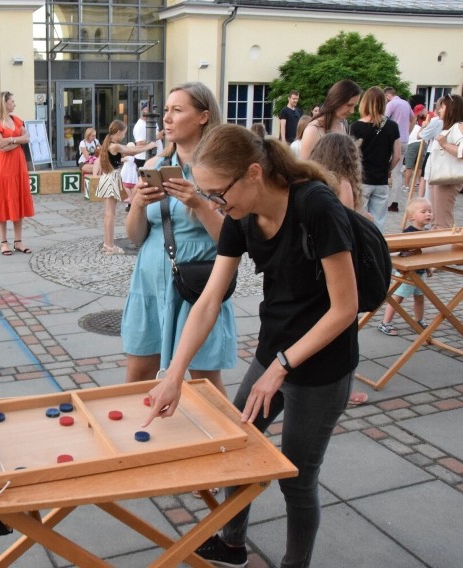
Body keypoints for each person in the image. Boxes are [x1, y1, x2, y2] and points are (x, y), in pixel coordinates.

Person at [144, 124, 359, 568]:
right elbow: (206, 303)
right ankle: (232, 542)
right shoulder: (240, 218)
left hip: (322, 364)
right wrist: (175, 375)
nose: (215, 205)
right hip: (274, 351)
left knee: (296, 477)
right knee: (237, 448)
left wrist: (281, 367)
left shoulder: (315, 205)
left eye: (218, 194)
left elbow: (345, 309)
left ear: (254, 173)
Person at [123, 82, 235, 399]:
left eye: (178, 110)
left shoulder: (220, 169)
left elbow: (231, 240)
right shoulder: (154, 165)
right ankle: (131, 441)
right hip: (150, 282)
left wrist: (199, 203)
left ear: (203, 116)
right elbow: (135, 237)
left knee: (205, 380)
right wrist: (139, 205)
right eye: (167, 110)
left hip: (197, 284)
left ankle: (224, 443)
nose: (167, 118)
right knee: (138, 373)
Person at [308, 132, 370, 406]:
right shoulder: (342, 183)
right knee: (345, 327)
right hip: (340, 262)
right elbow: (346, 225)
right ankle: (345, 387)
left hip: (315, 266)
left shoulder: (314, 181)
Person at [96, 120, 157, 254]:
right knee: (110, 214)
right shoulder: (114, 146)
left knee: (108, 214)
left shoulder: (109, 144)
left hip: (108, 177)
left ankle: (107, 244)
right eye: (123, 133)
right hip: (112, 177)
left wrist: (149, 142)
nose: (124, 136)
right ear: (117, 132)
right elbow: (132, 151)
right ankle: (110, 245)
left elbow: (131, 149)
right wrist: (150, 146)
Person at [0, 91, 34, 256]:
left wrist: (11, 140)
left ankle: (18, 241)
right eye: (12, 101)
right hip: (4, 166)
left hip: (18, 165)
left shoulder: (16, 120)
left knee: (18, 200)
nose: (15, 104)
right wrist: (16, 141)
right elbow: (2, 147)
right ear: (4, 103)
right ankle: (3, 242)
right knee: (3, 200)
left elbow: (27, 138)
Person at [378, 198, 434, 337]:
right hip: (406, 273)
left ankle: (419, 320)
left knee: (420, 298)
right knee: (397, 298)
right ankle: (385, 322)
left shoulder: (426, 232)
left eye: (430, 211)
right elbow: (401, 252)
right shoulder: (408, 233)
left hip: (419, 272)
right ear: (412, 216)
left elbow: (423, 253)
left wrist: (427, 266)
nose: (428, 214)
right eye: (424, 211)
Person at [349, 86, 401, 229]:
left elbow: (352, 154)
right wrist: (387, 169)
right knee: (378, 222)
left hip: (362, 179)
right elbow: (397, 155)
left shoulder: (356, 127)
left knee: (360, 220)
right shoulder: (392, 126)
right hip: (381, 180)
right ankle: (377, 248)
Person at [300, 80, 362, 160]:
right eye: (349, 105)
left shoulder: (342, 126)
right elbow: (306, 168)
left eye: (354, 106)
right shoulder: (313, 130)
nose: (352, 111)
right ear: (336, 100)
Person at [426, 94, 463, 229]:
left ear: (451, 109)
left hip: (448, 179)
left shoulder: (458, 126)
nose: (439, 110)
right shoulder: (449, 128)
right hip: (439, 178)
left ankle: (443, 248)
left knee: (442, 222)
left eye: (442, 107)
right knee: (436, 220)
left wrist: (445, 144)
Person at [384, 87, 415, 213]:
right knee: (397, 173)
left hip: (392, 140)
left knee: (385, 170)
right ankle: (394, 202)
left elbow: (383, 120)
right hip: (404, 140)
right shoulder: (406, 104)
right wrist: (408, 132)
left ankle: (384, 199)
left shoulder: (392, 104)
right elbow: (413, 118)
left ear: (387, 96)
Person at [403, 104, 429, 199]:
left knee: (410, 166)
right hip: (421, 142)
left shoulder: (419, 119)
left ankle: (407, 185)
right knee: (419, 166)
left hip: (415, 142)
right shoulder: (425, 118)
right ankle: (416, 183)